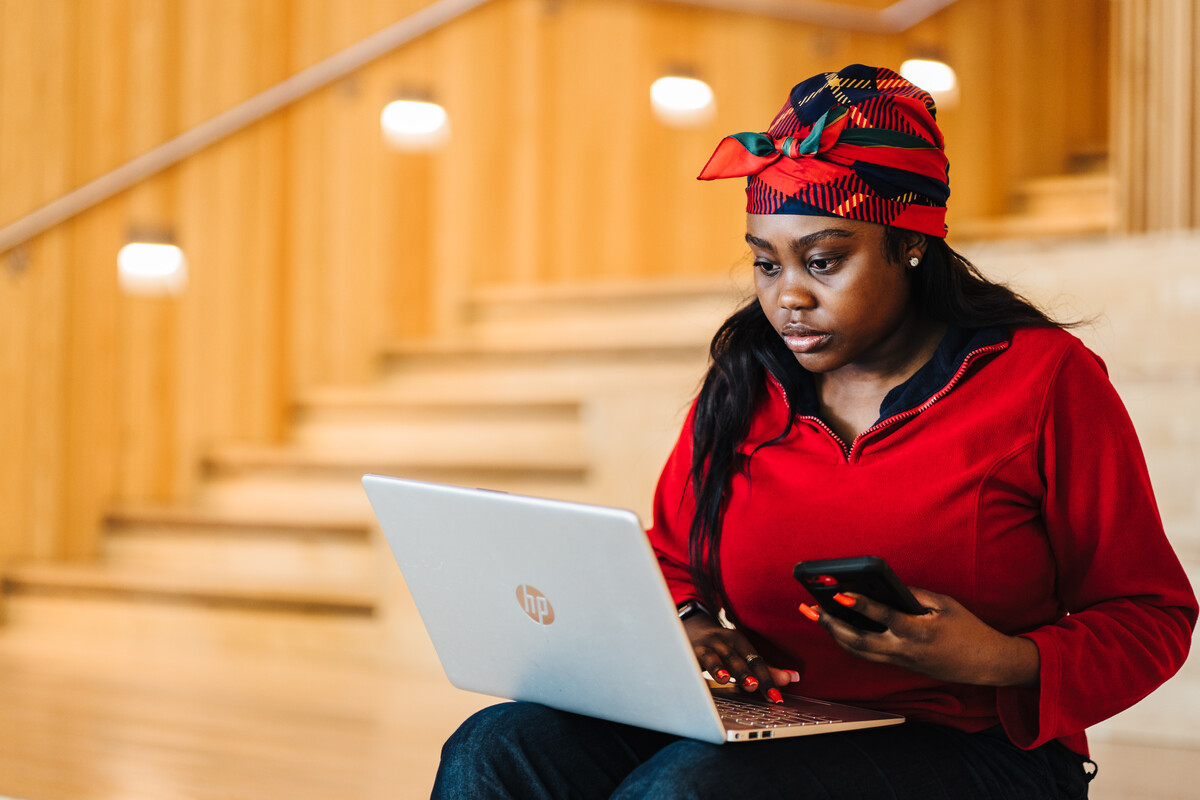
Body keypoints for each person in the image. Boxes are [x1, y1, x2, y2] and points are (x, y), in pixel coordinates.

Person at [431, 64, 1196, 799]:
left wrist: (999, 657)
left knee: (693, 788)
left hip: (972, 751)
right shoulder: (748, 379)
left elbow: (1149, 617)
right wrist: (692, 628)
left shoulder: (1043, 379)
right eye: (766, 265)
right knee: (497, 742)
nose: (788, 296)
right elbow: (671, 556)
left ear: (911, 242)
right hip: (775, 727)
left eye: (823, 260)